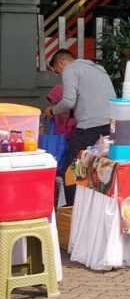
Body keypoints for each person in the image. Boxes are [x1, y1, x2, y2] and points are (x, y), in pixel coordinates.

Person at [43, 50, 116, 206]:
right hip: (112, 126)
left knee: (71, 170)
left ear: (61, 62)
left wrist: (52, 110)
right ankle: (92, 208)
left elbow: (68, 101)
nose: (59, 76)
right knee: (99, 168)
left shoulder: (70, 69)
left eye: (57, 72)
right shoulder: (98, 69)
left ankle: (72, 210)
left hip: (90, 127)